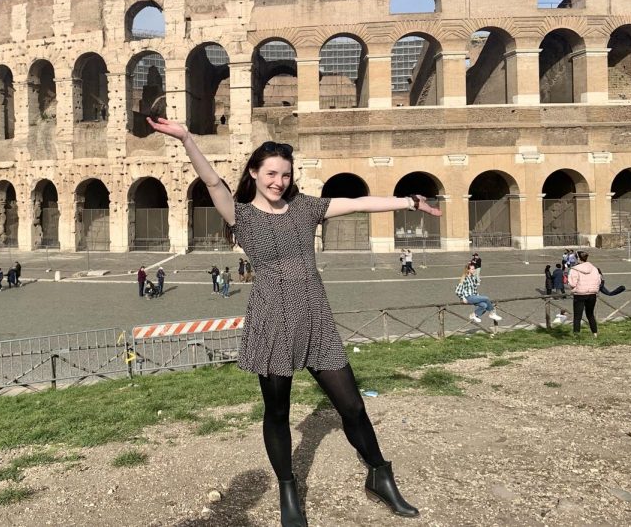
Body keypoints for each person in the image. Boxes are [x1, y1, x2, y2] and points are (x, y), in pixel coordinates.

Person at [148, 116, 437, 522]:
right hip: (271, 316)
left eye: (285, 174)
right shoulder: (241, 216)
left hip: (315, 314)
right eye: (271, 173)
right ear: (254, 172)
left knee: (352, 406)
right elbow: (214, 183)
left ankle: (379, 475)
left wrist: (408, 201)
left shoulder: (305, 208)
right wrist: (186, 138)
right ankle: (288, 491)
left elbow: (356, 203)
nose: (279, 181)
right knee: (278, 411)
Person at [567, 251, 601, 339]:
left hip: (580, 294)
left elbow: (572, 283)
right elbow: (599, 281)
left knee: (577, 316)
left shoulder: (574, 269)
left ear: (578, 258)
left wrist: (571, 287)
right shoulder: (594, 268)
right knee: (590, 314)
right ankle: (595, 333)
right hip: (592, 294)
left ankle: (576, 335)